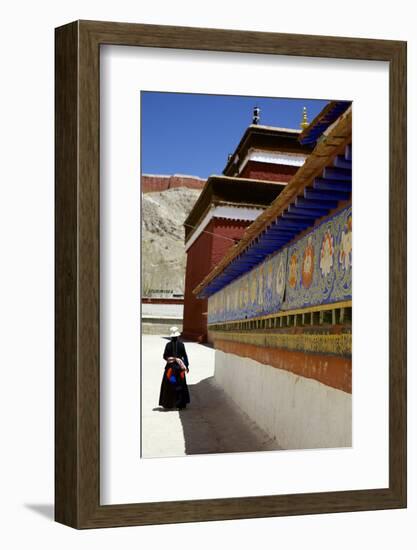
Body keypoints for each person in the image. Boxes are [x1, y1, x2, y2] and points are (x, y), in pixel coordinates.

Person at [158, 326, 190, 410]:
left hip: (170, 369)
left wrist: (170, 359)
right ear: (178, 336)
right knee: (180, 385)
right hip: (179, 369)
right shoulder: (181, 345)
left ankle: (168, 404)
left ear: (171, 336)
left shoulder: (168, 345)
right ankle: (180, 405)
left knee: (170, 384)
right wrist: (186, 366)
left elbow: (165, 356)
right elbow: (185, 357)